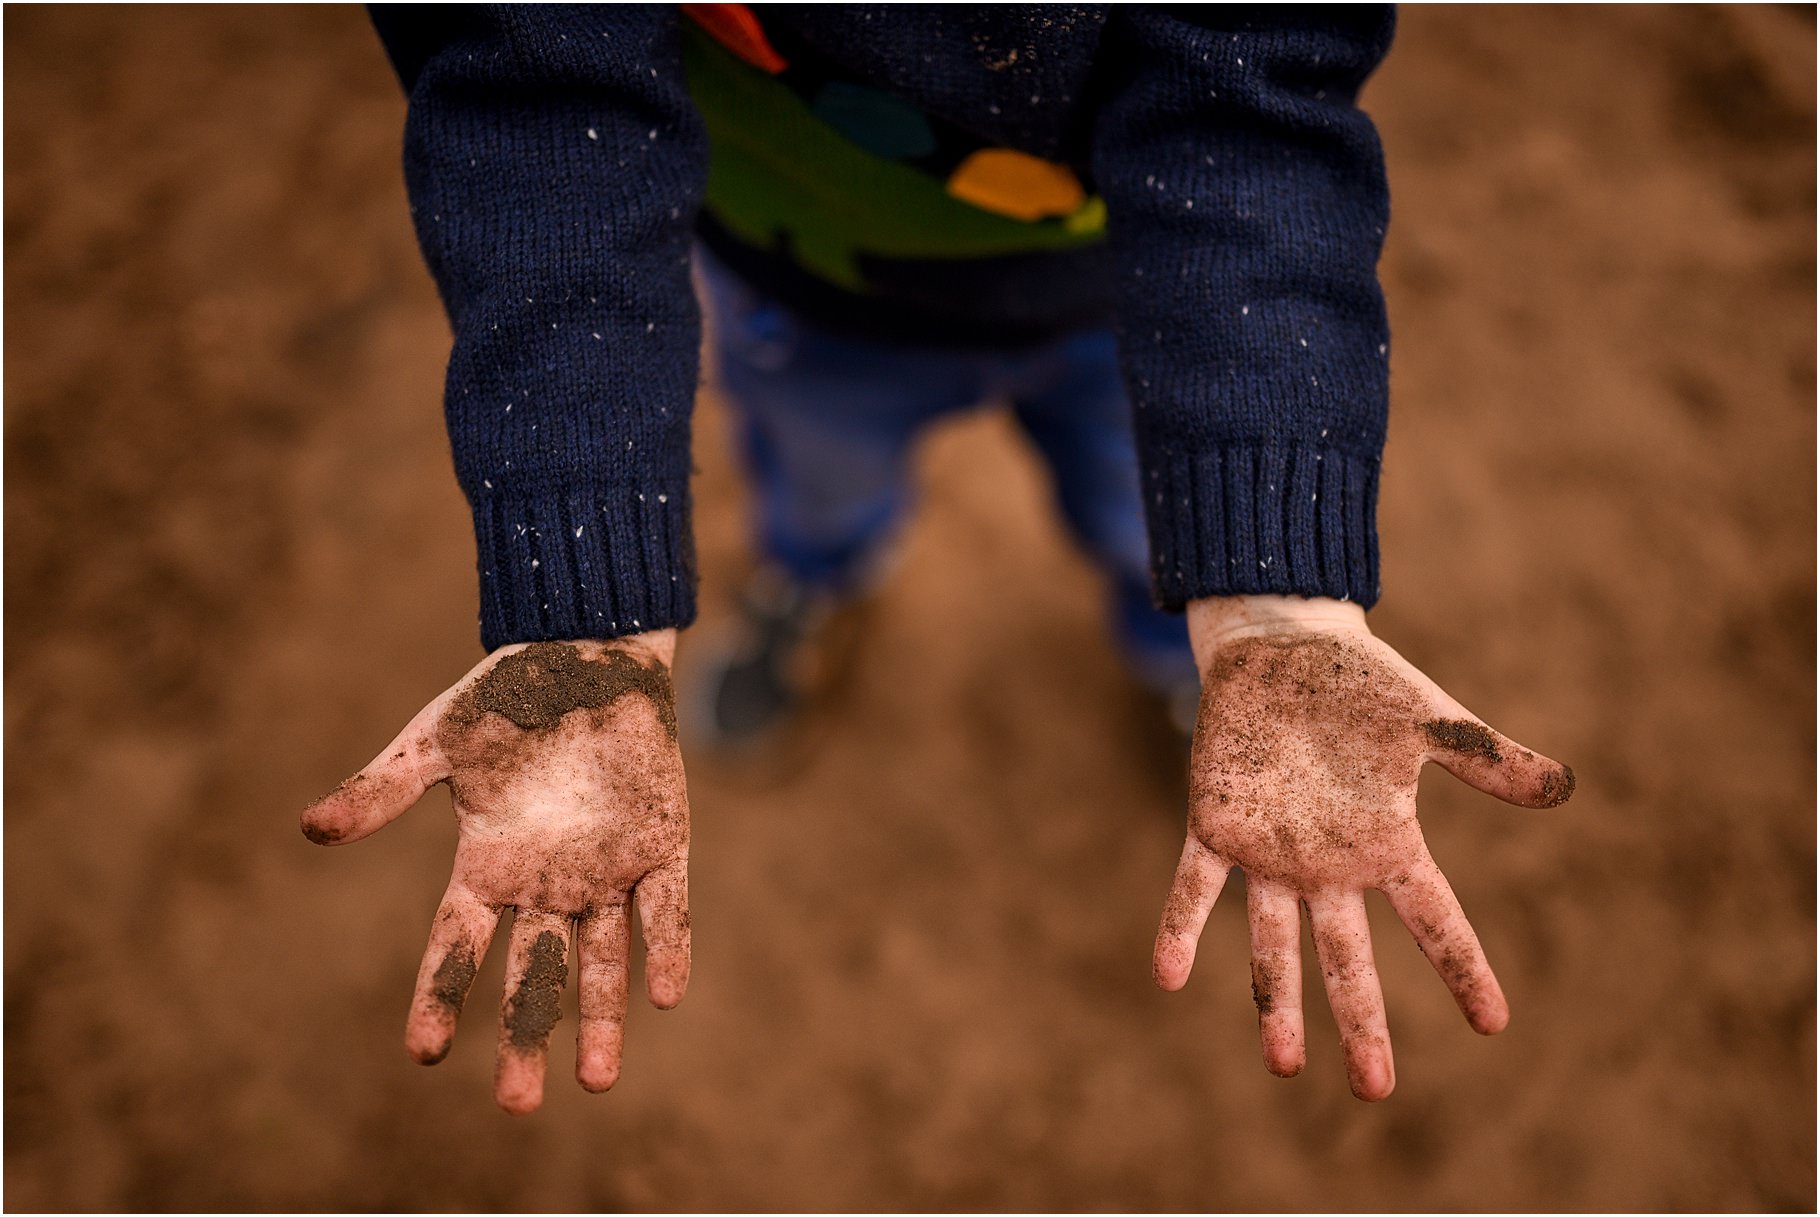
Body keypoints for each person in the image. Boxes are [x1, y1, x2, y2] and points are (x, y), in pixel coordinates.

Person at [301, 4, 1575, 1116]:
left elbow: (1252, 96)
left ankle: (1183, 656)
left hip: (1136, 305)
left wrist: (1270, 596)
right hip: (802, 293)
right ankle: (821, 577)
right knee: (819, 488)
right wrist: (585, 605)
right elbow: (536, 95)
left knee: (1152, 528)